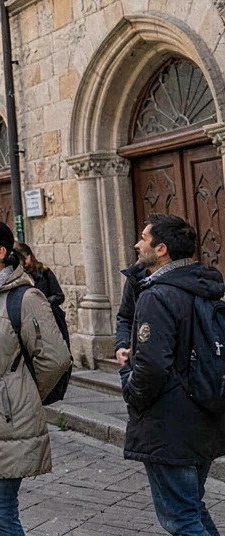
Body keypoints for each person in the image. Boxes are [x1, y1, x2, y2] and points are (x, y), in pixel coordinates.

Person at [0, 218, 70, 536]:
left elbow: (56, 359)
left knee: (1, 512)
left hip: (9, 420)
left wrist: (22, 393)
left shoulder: (26, 298)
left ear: (0, 251)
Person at [122, 213, 225, 536]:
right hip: (203, 413)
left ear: (162, 248)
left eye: (144, 238)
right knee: (191, 507)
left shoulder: (158, 295)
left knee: (180, 518)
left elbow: (152, 365)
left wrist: (130, 387)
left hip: (169, 423)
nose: (138, 244)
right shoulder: (202, 285)